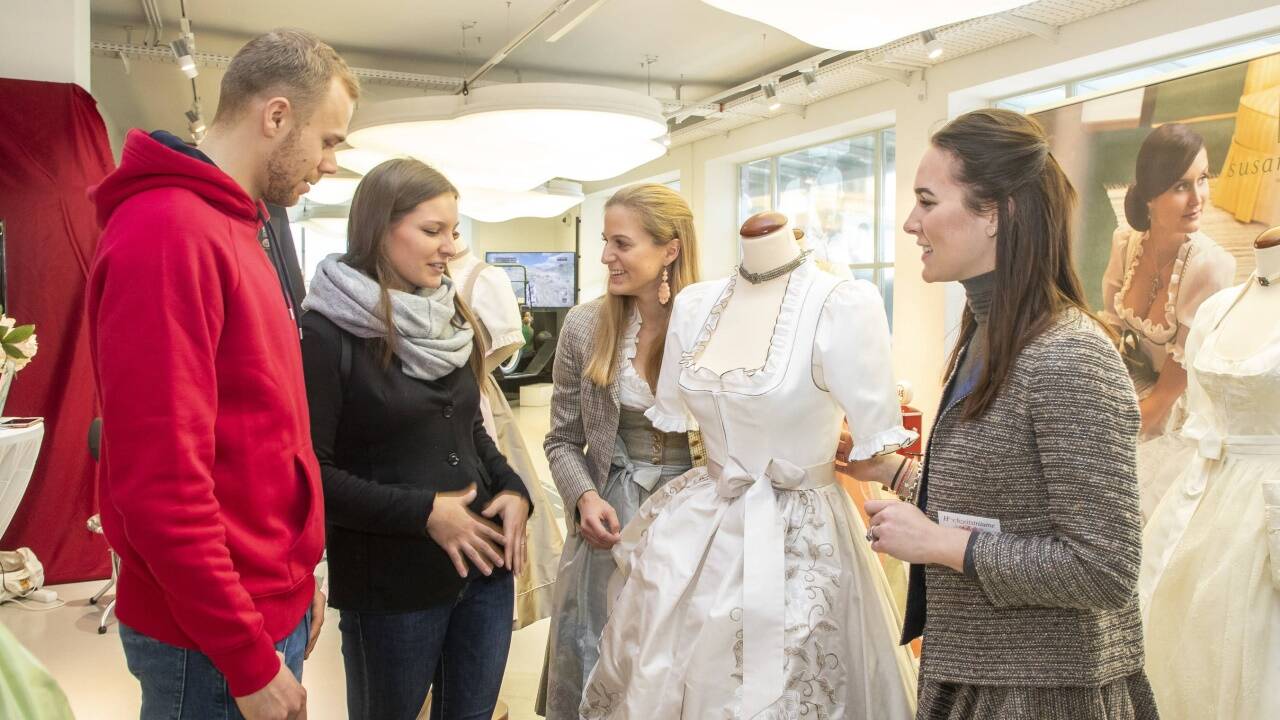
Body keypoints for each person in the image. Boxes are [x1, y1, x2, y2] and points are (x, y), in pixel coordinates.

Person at [87, 29, 358, 720]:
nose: (330, 164)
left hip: (260, 601)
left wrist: (298, 580)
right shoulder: (168, 232)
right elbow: (161, 485)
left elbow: (268, 424)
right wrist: (244, 650)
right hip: (207, 636)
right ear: (276, 117)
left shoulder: (237, 225)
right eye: (328, 141)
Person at [865, 108, 1156, 719]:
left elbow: (1103, 567)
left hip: (1044, 693)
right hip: (978, 671)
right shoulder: (986, 334)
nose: (911, 222)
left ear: (996, 212)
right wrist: (892, 471)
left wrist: (941, 545)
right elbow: (1006, 508)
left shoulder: (1069, 355)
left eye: (926, 200)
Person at [579, 210, 918, 718]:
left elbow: (873, 433)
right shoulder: (695, 305)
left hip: (804, 536)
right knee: (674, 668)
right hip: (702, 519)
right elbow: (674, 407)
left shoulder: (842, 304)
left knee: (794, 681)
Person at [299, 158, 531, 720]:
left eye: (454, 231)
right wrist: (424, 512)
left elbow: (469, 430)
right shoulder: (326, 333)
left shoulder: (450, 319)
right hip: (392, 586)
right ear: (379, 229)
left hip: (484, 568)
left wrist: (513, 487)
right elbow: (310, 471)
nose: (450, 246)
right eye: (432, 231)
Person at [538, 184, 700, 718]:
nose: (606, 255)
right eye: (606, 241)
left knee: (681, 660)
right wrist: (584, 496)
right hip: (612, 516)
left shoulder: (710, 325)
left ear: (669, 250)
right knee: (603, 653)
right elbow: (561, 438)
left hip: (697, 521)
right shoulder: (587, 326)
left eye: (621, 243)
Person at [1100, 123, 1235, 519]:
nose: (1198, 199)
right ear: (1150, 195)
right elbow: (1111, 331)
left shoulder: (1210, 267)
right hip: (1129, 391)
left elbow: (1162, 403)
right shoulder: (1125, 243)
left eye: (1203, 180)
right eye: (1180, 185)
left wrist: (1105, 439)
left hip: (1177, 417)